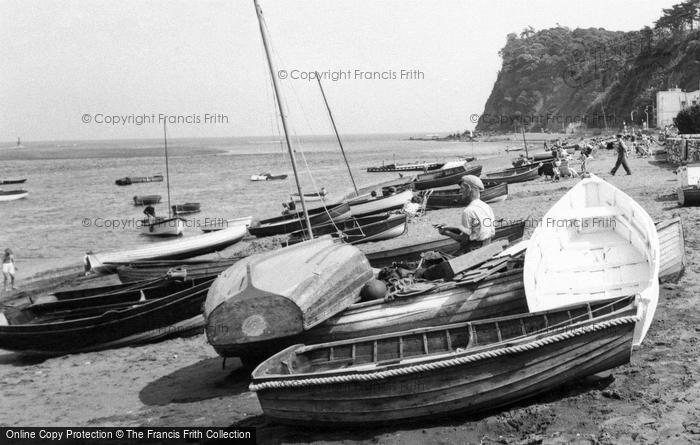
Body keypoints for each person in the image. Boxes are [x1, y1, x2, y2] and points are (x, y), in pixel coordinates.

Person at [438, 175, 495, 249]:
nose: (460, 191)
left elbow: (463, 240)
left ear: (468, 188)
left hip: (475, 250)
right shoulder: (487, 207)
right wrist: (449, 227)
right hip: (487, 245)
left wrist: (446, 233)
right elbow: (476, 228)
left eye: (462, 188)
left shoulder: (468, 211)